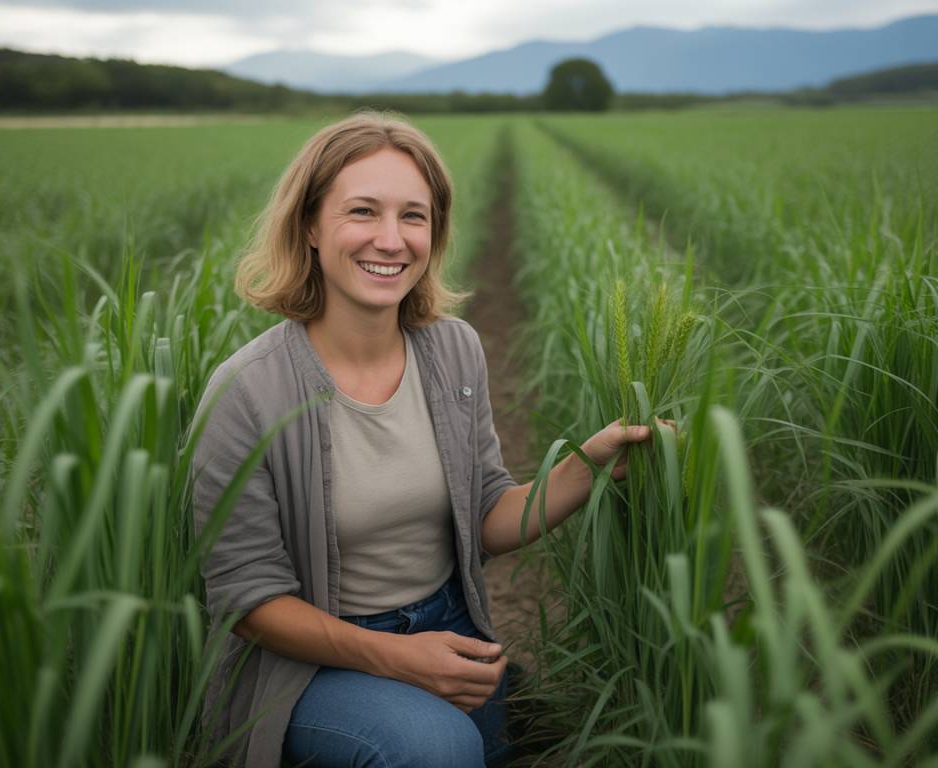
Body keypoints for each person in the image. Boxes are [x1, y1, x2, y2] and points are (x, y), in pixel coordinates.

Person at [191, 111, 662, 768]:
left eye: (414, 216)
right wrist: (396, 658)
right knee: (434, 750)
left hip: (448, 626)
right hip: (310, 663)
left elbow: (485, 515)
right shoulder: (248, 390)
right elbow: (248, 599)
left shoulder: (452, 349)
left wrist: (591, 463)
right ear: (310, 226)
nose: (391, 240)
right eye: (362, 211)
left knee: (513, 744)